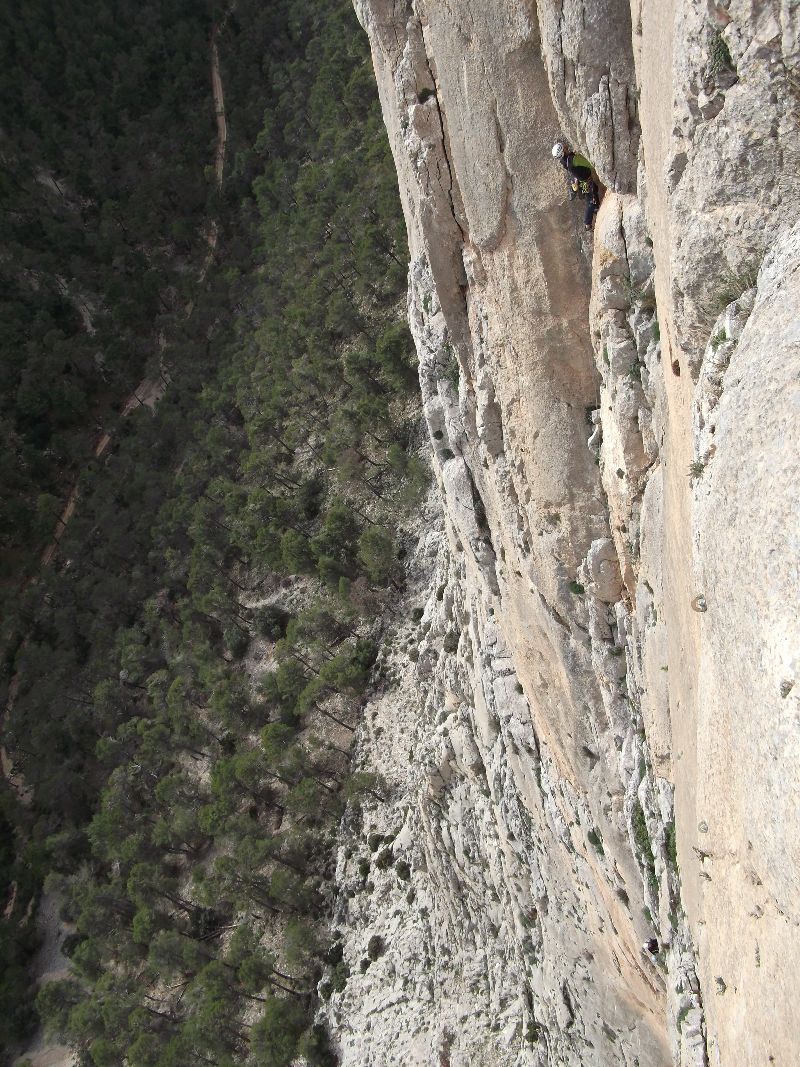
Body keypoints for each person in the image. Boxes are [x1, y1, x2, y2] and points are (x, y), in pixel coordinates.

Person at [552, 141, 600, 230]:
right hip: (586, 181)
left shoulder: (564, 161)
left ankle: (596, 208)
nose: (565, 146)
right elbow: (589, 164)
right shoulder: (573, 159)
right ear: (563, 151)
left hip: (581, 182)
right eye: (564, 147)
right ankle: (587, 224)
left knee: (594, 191)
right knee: (591, 201)